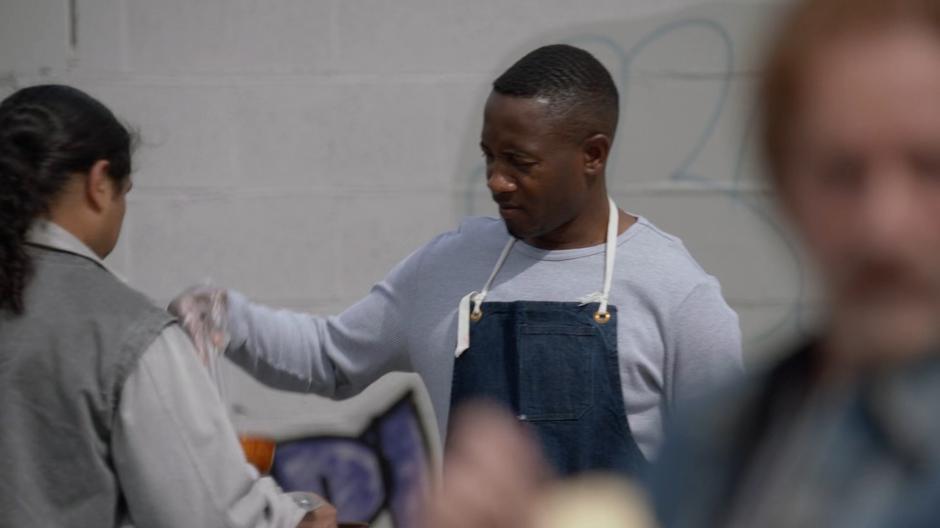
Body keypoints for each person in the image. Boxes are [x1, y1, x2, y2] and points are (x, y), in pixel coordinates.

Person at [173, 44, 742, 477]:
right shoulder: (450, 266)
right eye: (489, 156)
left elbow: (732, 478)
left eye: (519, 161)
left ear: (592, 155)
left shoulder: (678, 294)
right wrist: (228, 316)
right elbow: (330, 360)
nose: (496, 180)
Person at [649, 0, 940, 525]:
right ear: (785, 187)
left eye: (930, 167)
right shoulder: (716, 441)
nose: (883, 227)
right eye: (841, 174)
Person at [0, 85, 334, 528]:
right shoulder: (126, 334)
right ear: (100, 184)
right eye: (125, 192)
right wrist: (298, 519)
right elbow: (212, 519)